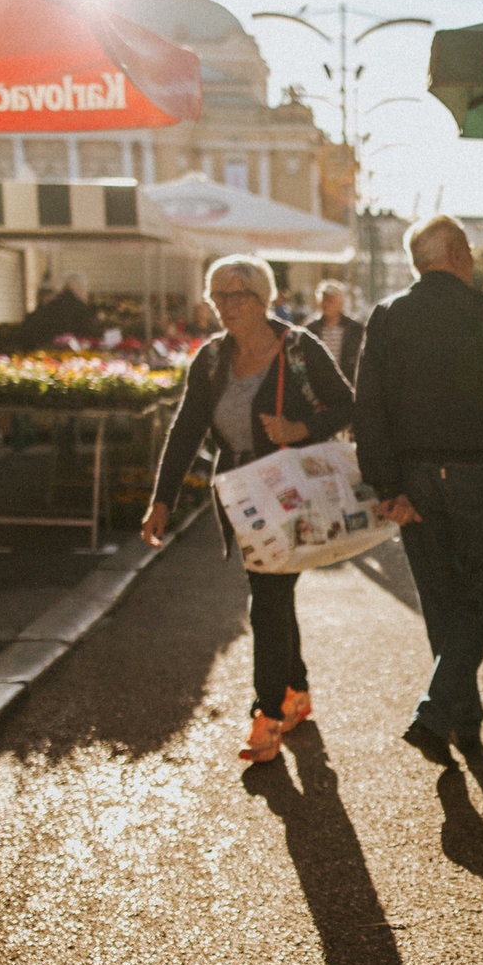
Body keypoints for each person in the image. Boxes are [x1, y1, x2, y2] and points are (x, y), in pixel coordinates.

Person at [141, 255, 354, 764]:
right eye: (218, 295)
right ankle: (295, 692)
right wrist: (163, 499)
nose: (225, 306)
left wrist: (300, 429)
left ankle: (266, 715)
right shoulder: (212, 358)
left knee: (268, 598)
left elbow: (350, 405)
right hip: (239, 496)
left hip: (288, 491)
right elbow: (187, 430)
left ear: (264, 298)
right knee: (274, 594)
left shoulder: (300, 348)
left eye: (237, 295)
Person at [353, 217, 483, 767]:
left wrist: (386, 486)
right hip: (478, 475)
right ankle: (440, 713)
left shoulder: (387, 316)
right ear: (458, 254)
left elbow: (369, 409)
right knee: (481, 605)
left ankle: (464, 721)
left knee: (442, 604)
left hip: (414, 480)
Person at [311, 279, 367, 384]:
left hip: (347, 384)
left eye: (330, 301)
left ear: (340, 303)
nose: (326, 305)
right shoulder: (311, 329)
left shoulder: (355, 328)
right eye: (323, 300)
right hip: (319, 384)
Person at [21, 272, 96, 346]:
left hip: (45, 349)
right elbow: (89, 335)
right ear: (82, 289)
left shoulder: (50, 306)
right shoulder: (81, 309)